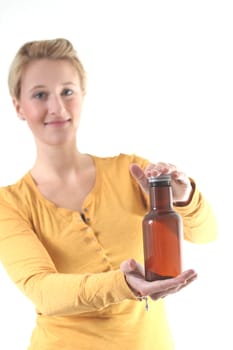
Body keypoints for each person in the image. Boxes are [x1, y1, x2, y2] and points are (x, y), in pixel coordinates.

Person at [0, 38, 217, 350]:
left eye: (67, 91)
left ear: (83, 94)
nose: (57, 107)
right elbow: (41, 288)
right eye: (40, 95)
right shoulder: (9, 204)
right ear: (19, 106)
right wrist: (123, 284)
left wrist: (184, 198)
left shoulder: (132, 172)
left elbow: (207, 233)